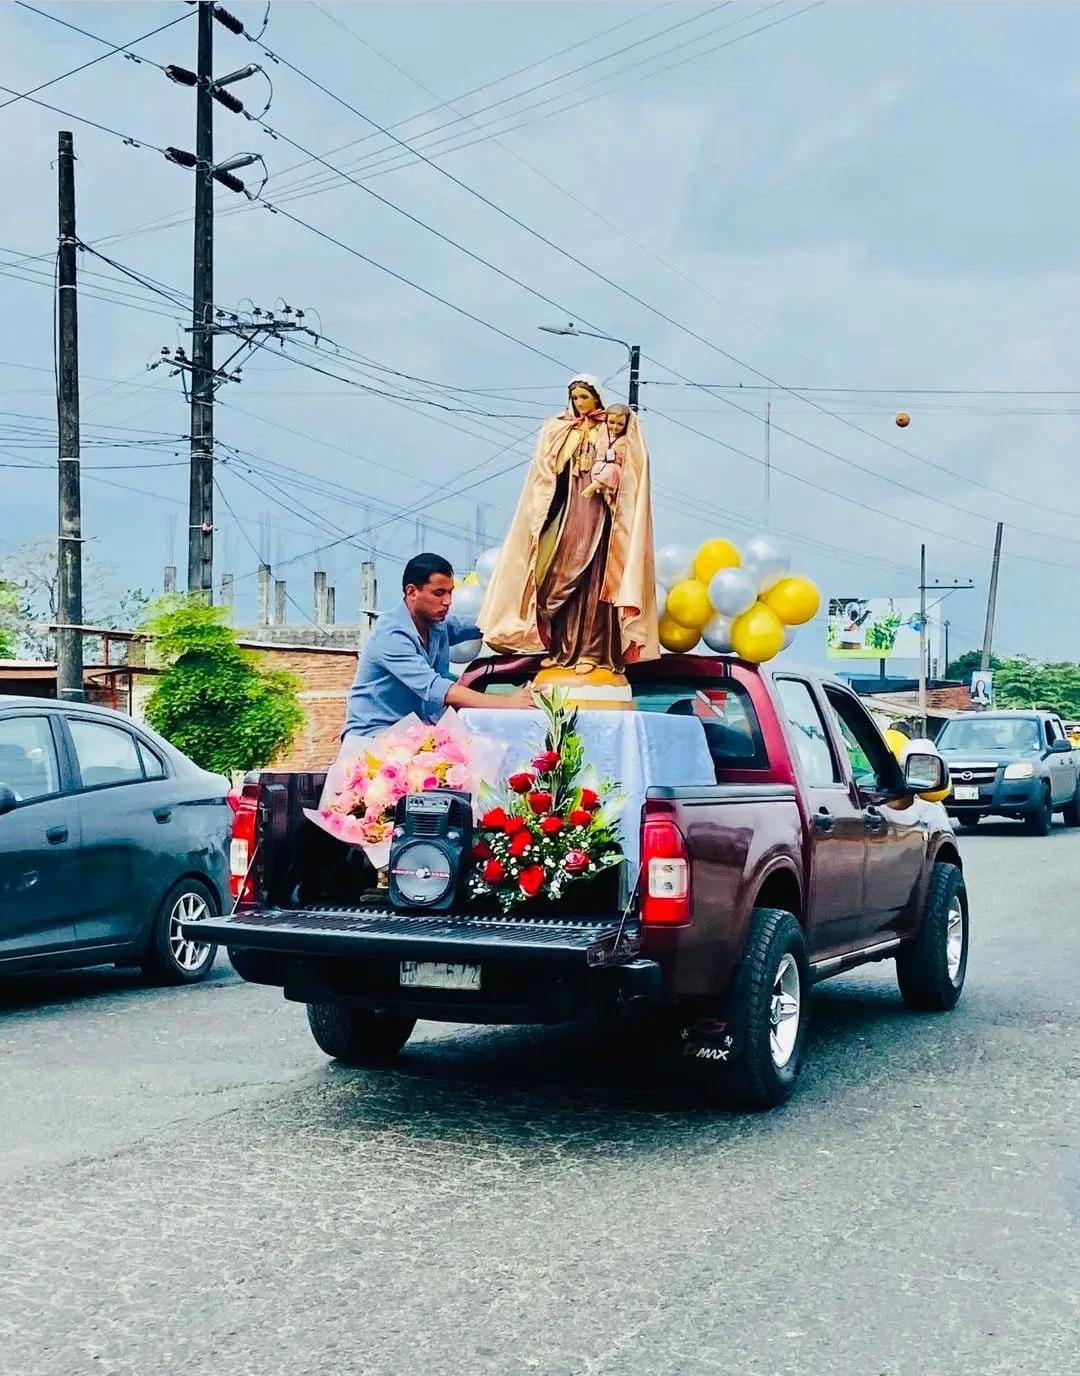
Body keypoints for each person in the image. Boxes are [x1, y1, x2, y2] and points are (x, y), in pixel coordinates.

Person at [479, 374, 658, 676]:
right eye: (575, 398)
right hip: (570, 516)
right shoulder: (561, 429)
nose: (579, 403)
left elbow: (630, 472)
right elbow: (545, 477)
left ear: (597, 398)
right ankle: (563, 649)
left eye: (584, 397)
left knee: (594, 583)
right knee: (558, 577)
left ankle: (593, 651)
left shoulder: (610, 428)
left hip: (601, 518)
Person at [342, 553, 534, 740]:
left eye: (450, 592)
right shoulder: (391, 636)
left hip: (417, 735)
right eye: (439, 593)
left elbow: (479, 626)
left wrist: (529, 622)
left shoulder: (437, 625)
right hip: (373, 738)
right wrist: (509, 702)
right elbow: (437, 689)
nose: (448, 601)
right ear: (412, 592)